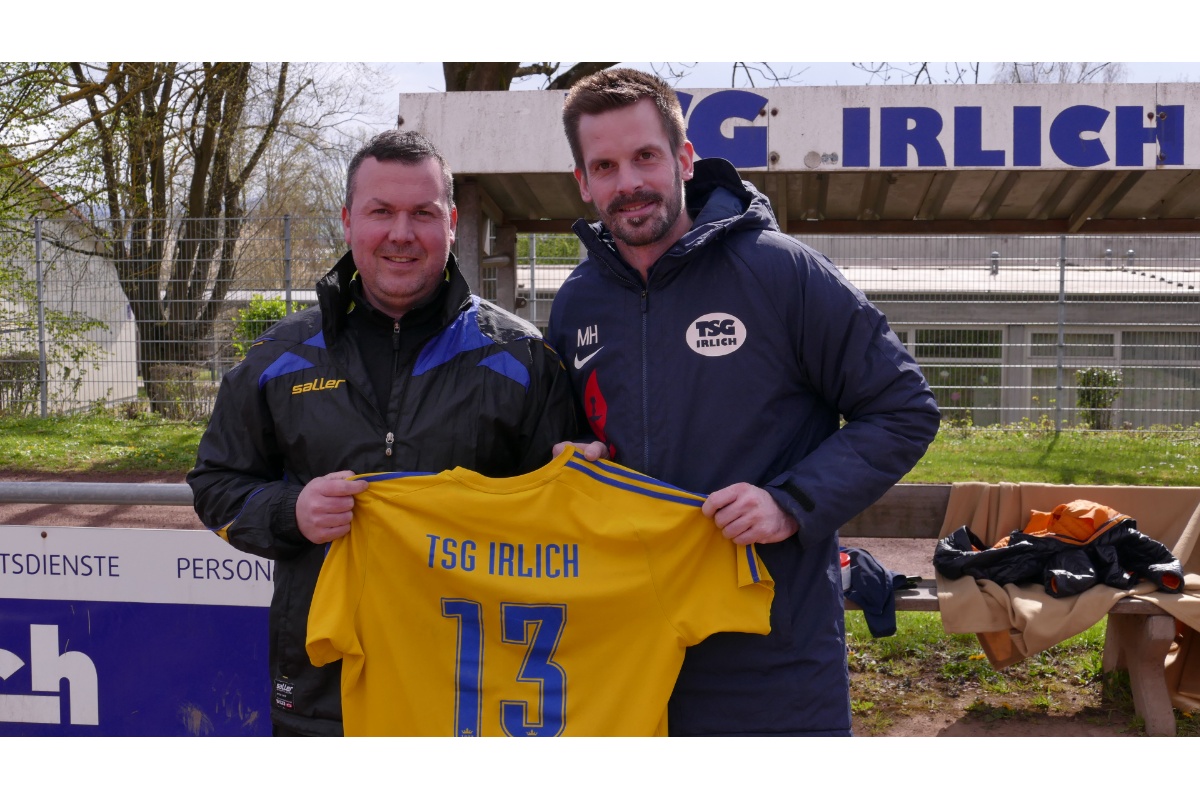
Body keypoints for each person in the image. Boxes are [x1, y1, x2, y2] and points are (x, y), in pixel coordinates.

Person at [548, 68, 941, 736]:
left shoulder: (781, 272)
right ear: (583, 183)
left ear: (683, 159)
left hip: (771, 653)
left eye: (645, 156)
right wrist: (564, 458)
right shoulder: (577, 301)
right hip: (625, 646)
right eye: (604, 166)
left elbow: (903, 407)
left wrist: (791, 503)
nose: (628, 183)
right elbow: (565, 440)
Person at [188, 130, 577, 736]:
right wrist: (291, 512)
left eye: (422, 213)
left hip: (472, 689)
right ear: (348, 222)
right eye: (381, 212)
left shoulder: (522, 360)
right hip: (324, 686)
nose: (401, 233)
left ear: (451, 224)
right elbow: (216, 483)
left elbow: (560, 519)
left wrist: (580, 478)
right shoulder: (278, 357)